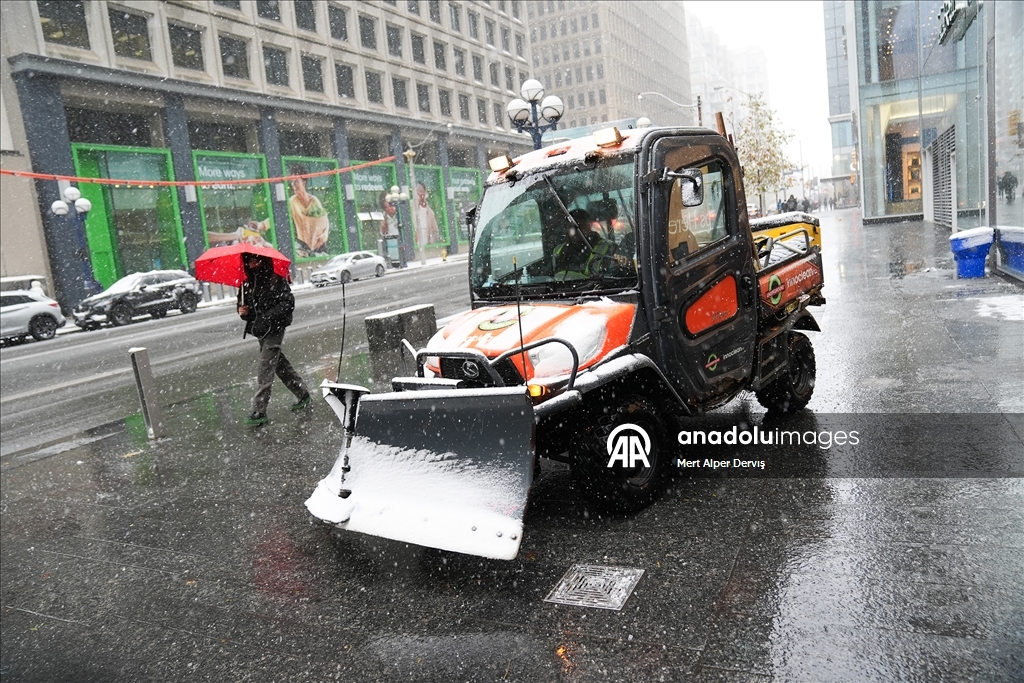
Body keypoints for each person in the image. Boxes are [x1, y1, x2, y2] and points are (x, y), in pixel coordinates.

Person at [236, 253, 311, 425]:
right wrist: (243, 312)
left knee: (265, 367)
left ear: (264, 261)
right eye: (250, 261)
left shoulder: (276, 280)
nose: (253, 264)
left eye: (256, 260)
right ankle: (303, 393)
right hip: (260, 331)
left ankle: (259, 410)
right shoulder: (246, 285)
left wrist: (267, 317)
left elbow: (287, 304)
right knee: (278, 364)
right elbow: (245, 310)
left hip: (275, 329)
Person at [553, 209, 613, 279]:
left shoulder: (608, 248)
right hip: (562, 290)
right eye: (571, 227)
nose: (574, 231)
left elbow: (611, 280)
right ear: (566, 228)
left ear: (589, 226)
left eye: (579, 226)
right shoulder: (558, 251)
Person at [288, 165, 330, 257]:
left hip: (319, 244)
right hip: (303, 245)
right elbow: (280, 216)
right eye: (291, 182)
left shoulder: (314, 200)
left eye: (296, 182)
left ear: (304, 182)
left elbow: (325, 222)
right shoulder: (292, 202)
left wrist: (323, 237)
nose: (293, 185)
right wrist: (263, 225)